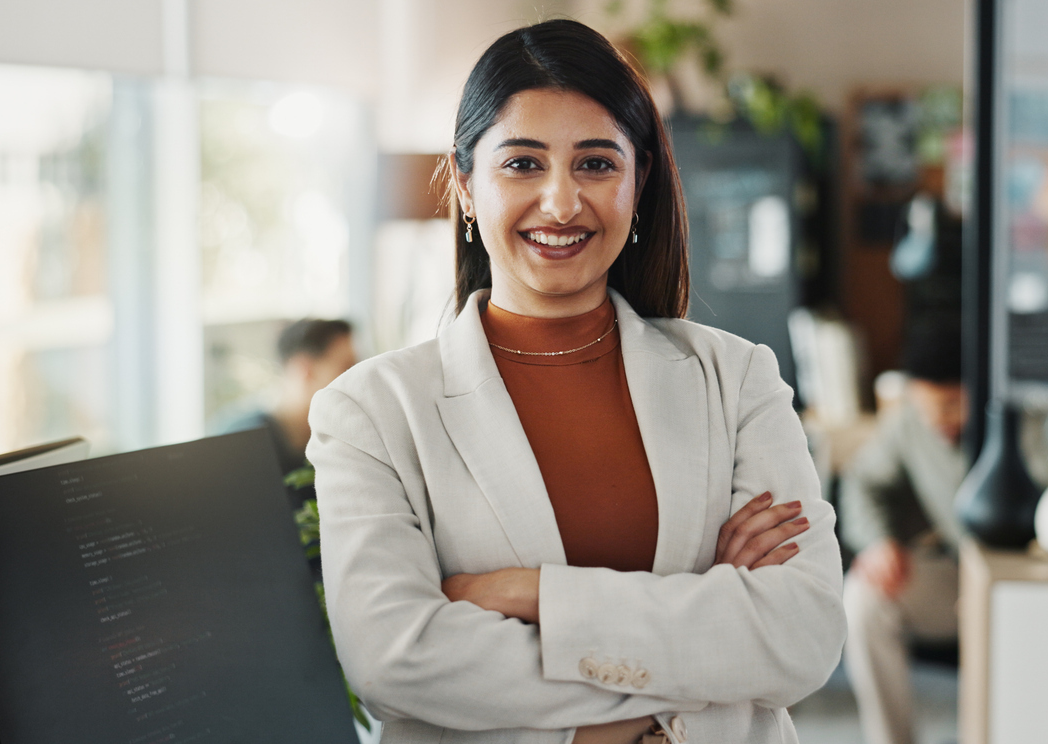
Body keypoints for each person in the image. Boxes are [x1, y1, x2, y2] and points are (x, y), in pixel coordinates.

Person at [306, 19, 845, 744]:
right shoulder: (370, 412)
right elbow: (396, 659)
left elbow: (801, 637)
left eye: (595, 164)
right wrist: (683, 673)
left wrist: (532, 596)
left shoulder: (736, 379)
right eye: (523, 165)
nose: (561, 204)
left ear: (639, 178)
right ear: (465, 184)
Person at [840, 319, 968, 744]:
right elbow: (864, 480)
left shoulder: (1023, 421)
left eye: (951, 405)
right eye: (928, 407)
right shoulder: (911, 419)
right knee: (863, 598)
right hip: (952, 585)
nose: (939, 420)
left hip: (1014, 583)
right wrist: (879, 541)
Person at [219, 318, 357, 505]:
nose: (356, 380)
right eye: (346, 368)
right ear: (306, 370)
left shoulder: (341, 440)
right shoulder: (240, 442)